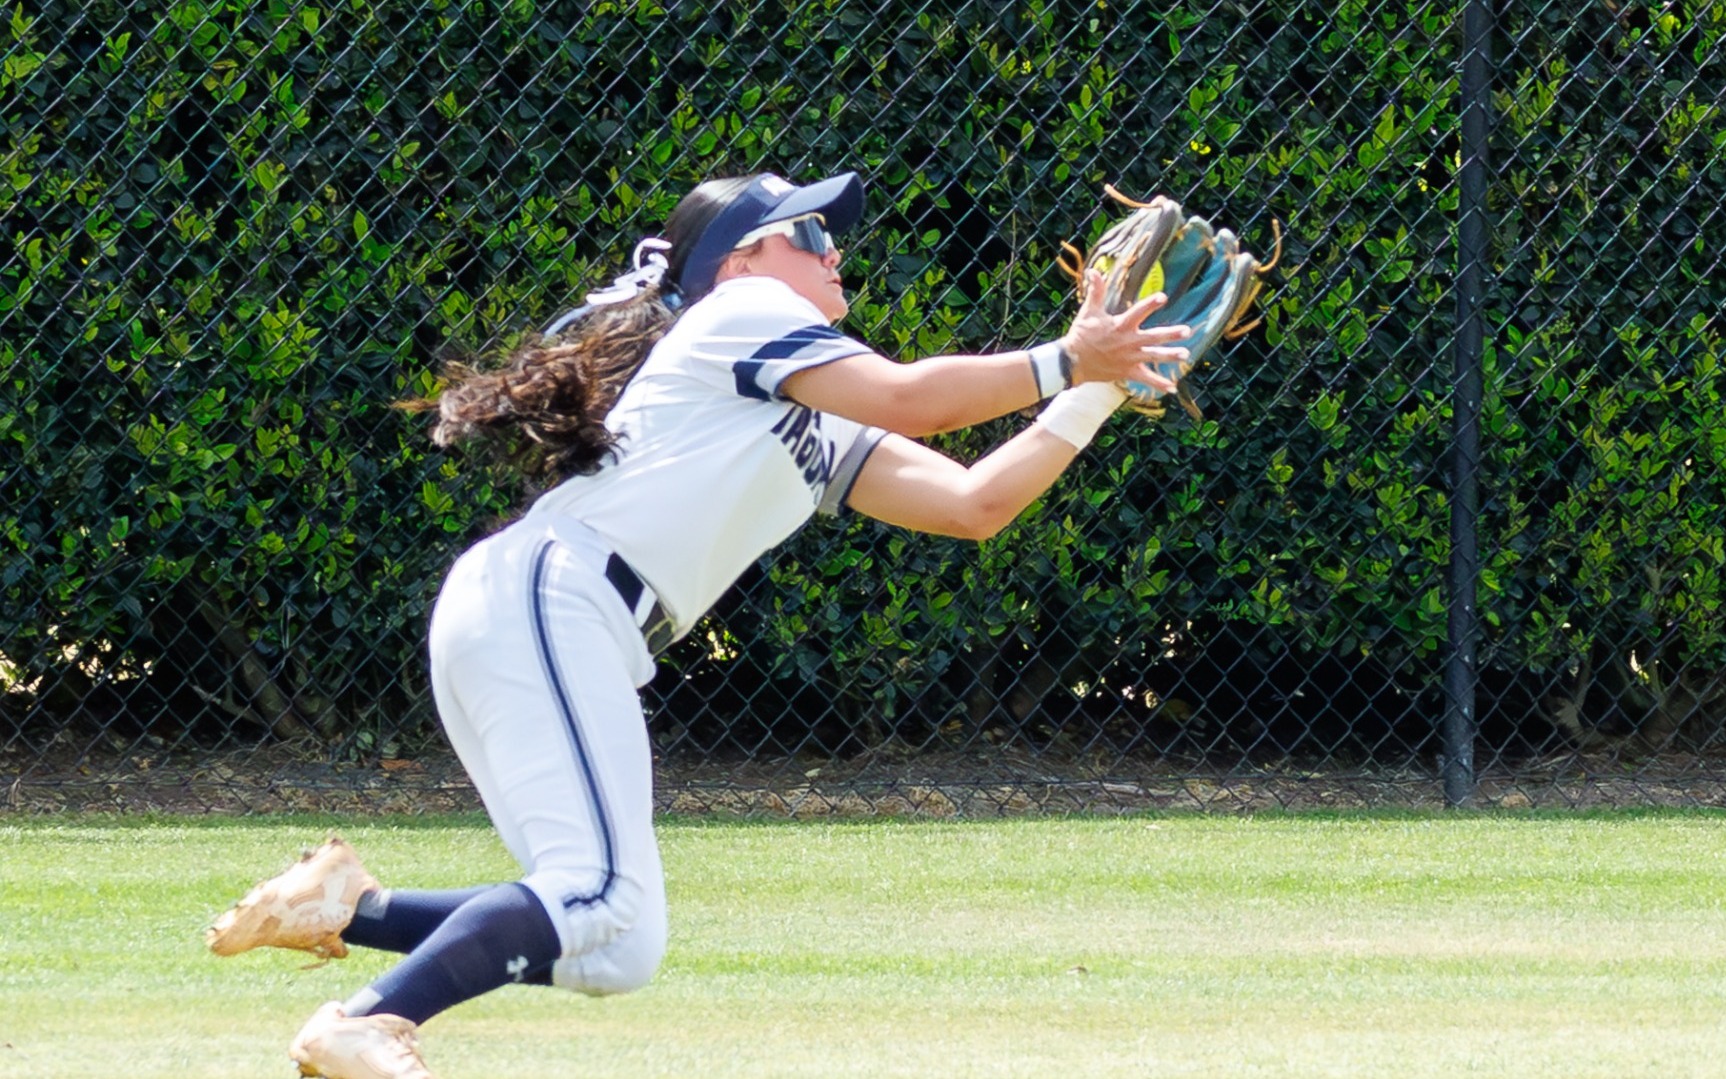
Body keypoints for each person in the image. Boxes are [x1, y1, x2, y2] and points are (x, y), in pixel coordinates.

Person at [205, 171, 1190, 1079]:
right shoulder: (742, 313)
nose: (831, 246)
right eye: (806, 230)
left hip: (552, 616)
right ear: (741, 260)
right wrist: (1065, 356)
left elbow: (976, 501)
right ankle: (368, 1020)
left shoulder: (803, 405)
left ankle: (349, 909)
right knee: (594, 891)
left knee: (619, 940)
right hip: (553, 599)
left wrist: (1102, 383)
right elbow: (910, 398)